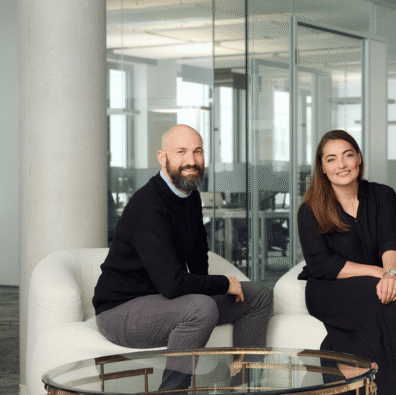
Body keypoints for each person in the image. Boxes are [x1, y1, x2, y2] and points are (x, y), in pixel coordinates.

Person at [92, 124, 273, 392]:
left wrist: (215, 288)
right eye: (181, 152)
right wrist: (224, 284)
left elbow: (198, 260)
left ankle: (244, 386)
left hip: (166, 303)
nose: (192, 160)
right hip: (121, 312)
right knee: (201, 308)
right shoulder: (149, 205)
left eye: (197, 151)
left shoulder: (190, 196)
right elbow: (172, 284)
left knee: (257, 297)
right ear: (162, 157)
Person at [297, 130, 396, 395]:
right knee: (388, 297)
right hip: (327, 288)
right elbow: (323, 264)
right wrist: (381, 273)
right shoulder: (310, 209)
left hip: (373, 284)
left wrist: (391, 272)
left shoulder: (383, 195)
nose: (342, 164)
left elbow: (390, 241)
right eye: (331, 159)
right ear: (322, 167)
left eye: (348, 155)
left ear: (358, 158)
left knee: (392, 299)